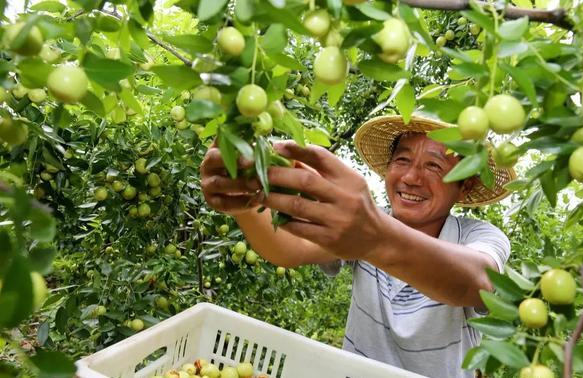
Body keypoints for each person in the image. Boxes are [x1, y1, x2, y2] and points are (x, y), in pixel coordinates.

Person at [200, 114, 516, 378]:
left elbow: (478, 281)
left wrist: (376, 239)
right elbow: (287, 249)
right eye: (402, 159)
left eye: (434, 166)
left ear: (466, 184)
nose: (410, 177)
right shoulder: (360, 225)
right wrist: (241, 200)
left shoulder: (478, 237)